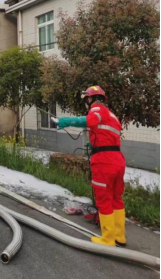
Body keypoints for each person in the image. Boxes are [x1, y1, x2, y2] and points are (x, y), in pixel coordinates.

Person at [57, 85, 125, 247]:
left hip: (104, 161)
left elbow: (91, 120)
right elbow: (107, 135)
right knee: (116, 198)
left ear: (90, 99)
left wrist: (67, 121)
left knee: (103, 199)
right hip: (117, 159)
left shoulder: (96, 109)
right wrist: (93, 143)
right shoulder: (112, 115)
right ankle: (119, 236)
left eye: (86, 99)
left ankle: (107, 239)